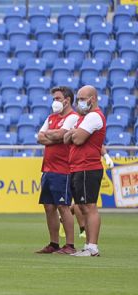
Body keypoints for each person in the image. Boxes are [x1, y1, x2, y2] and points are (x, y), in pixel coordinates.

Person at [64, 85, 114, 257]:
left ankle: (92, 247)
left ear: (92, 99)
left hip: (88, 166)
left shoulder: (93, 116)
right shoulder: (83, 117)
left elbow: (76, 139)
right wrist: (72, 133)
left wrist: (73, 133)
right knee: (83, 207)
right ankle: (88, 246)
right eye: (78, 98)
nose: (79, 102)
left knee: (89, 207)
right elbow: (65, 138)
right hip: (79, 166)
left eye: (82, 98)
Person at [35, 86, 79, 254]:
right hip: (48, 167)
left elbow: (62, 134)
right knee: (48, 206)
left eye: (57, 98)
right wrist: (56, 137)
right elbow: (40, 136)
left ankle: (70, 245)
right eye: (54, 99)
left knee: (63, 206)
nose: (54, 102)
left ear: (67, 100)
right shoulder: (51, 117)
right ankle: (54, 243)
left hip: (63, 168)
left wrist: (53, 136)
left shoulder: (73, 117)